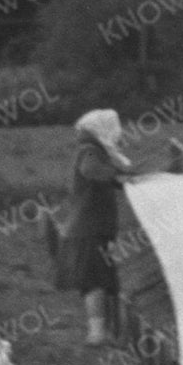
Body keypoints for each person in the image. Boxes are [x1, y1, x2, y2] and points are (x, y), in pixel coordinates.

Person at [63, 109, 130, 318]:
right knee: (95, 281)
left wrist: (120, 178)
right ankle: (97, 331)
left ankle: (102, 327)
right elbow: (91, 170)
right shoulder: (91, 150)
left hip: (93, 227)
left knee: (100, 279)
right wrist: (118, 176)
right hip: (89, 228)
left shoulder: (95, 151)